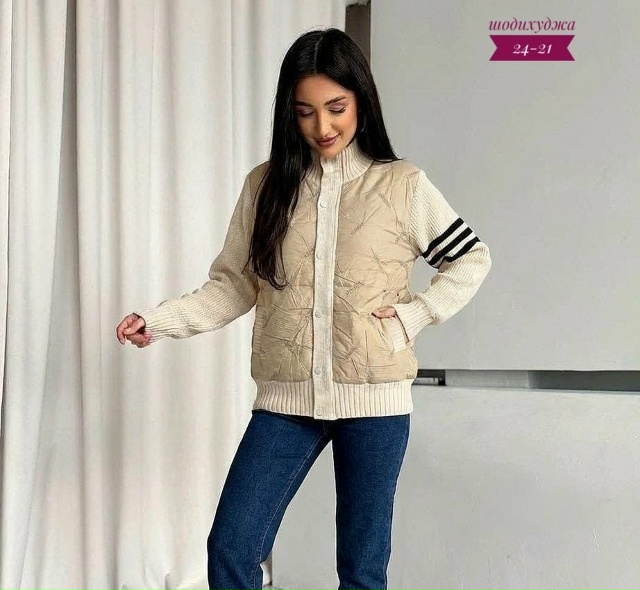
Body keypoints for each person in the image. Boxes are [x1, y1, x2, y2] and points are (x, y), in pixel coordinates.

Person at [115, 27, 491, 590]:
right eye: (305, 112)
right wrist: (161, 321)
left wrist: (414, 315)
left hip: (376, 402)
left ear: (361, 100)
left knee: (361, 571)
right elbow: (235, 286)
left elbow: (471, 258)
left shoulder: (402, 185)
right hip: (287, 400)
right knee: (231, 547)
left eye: (336, 108)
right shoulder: (266, 187)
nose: (323, 127)